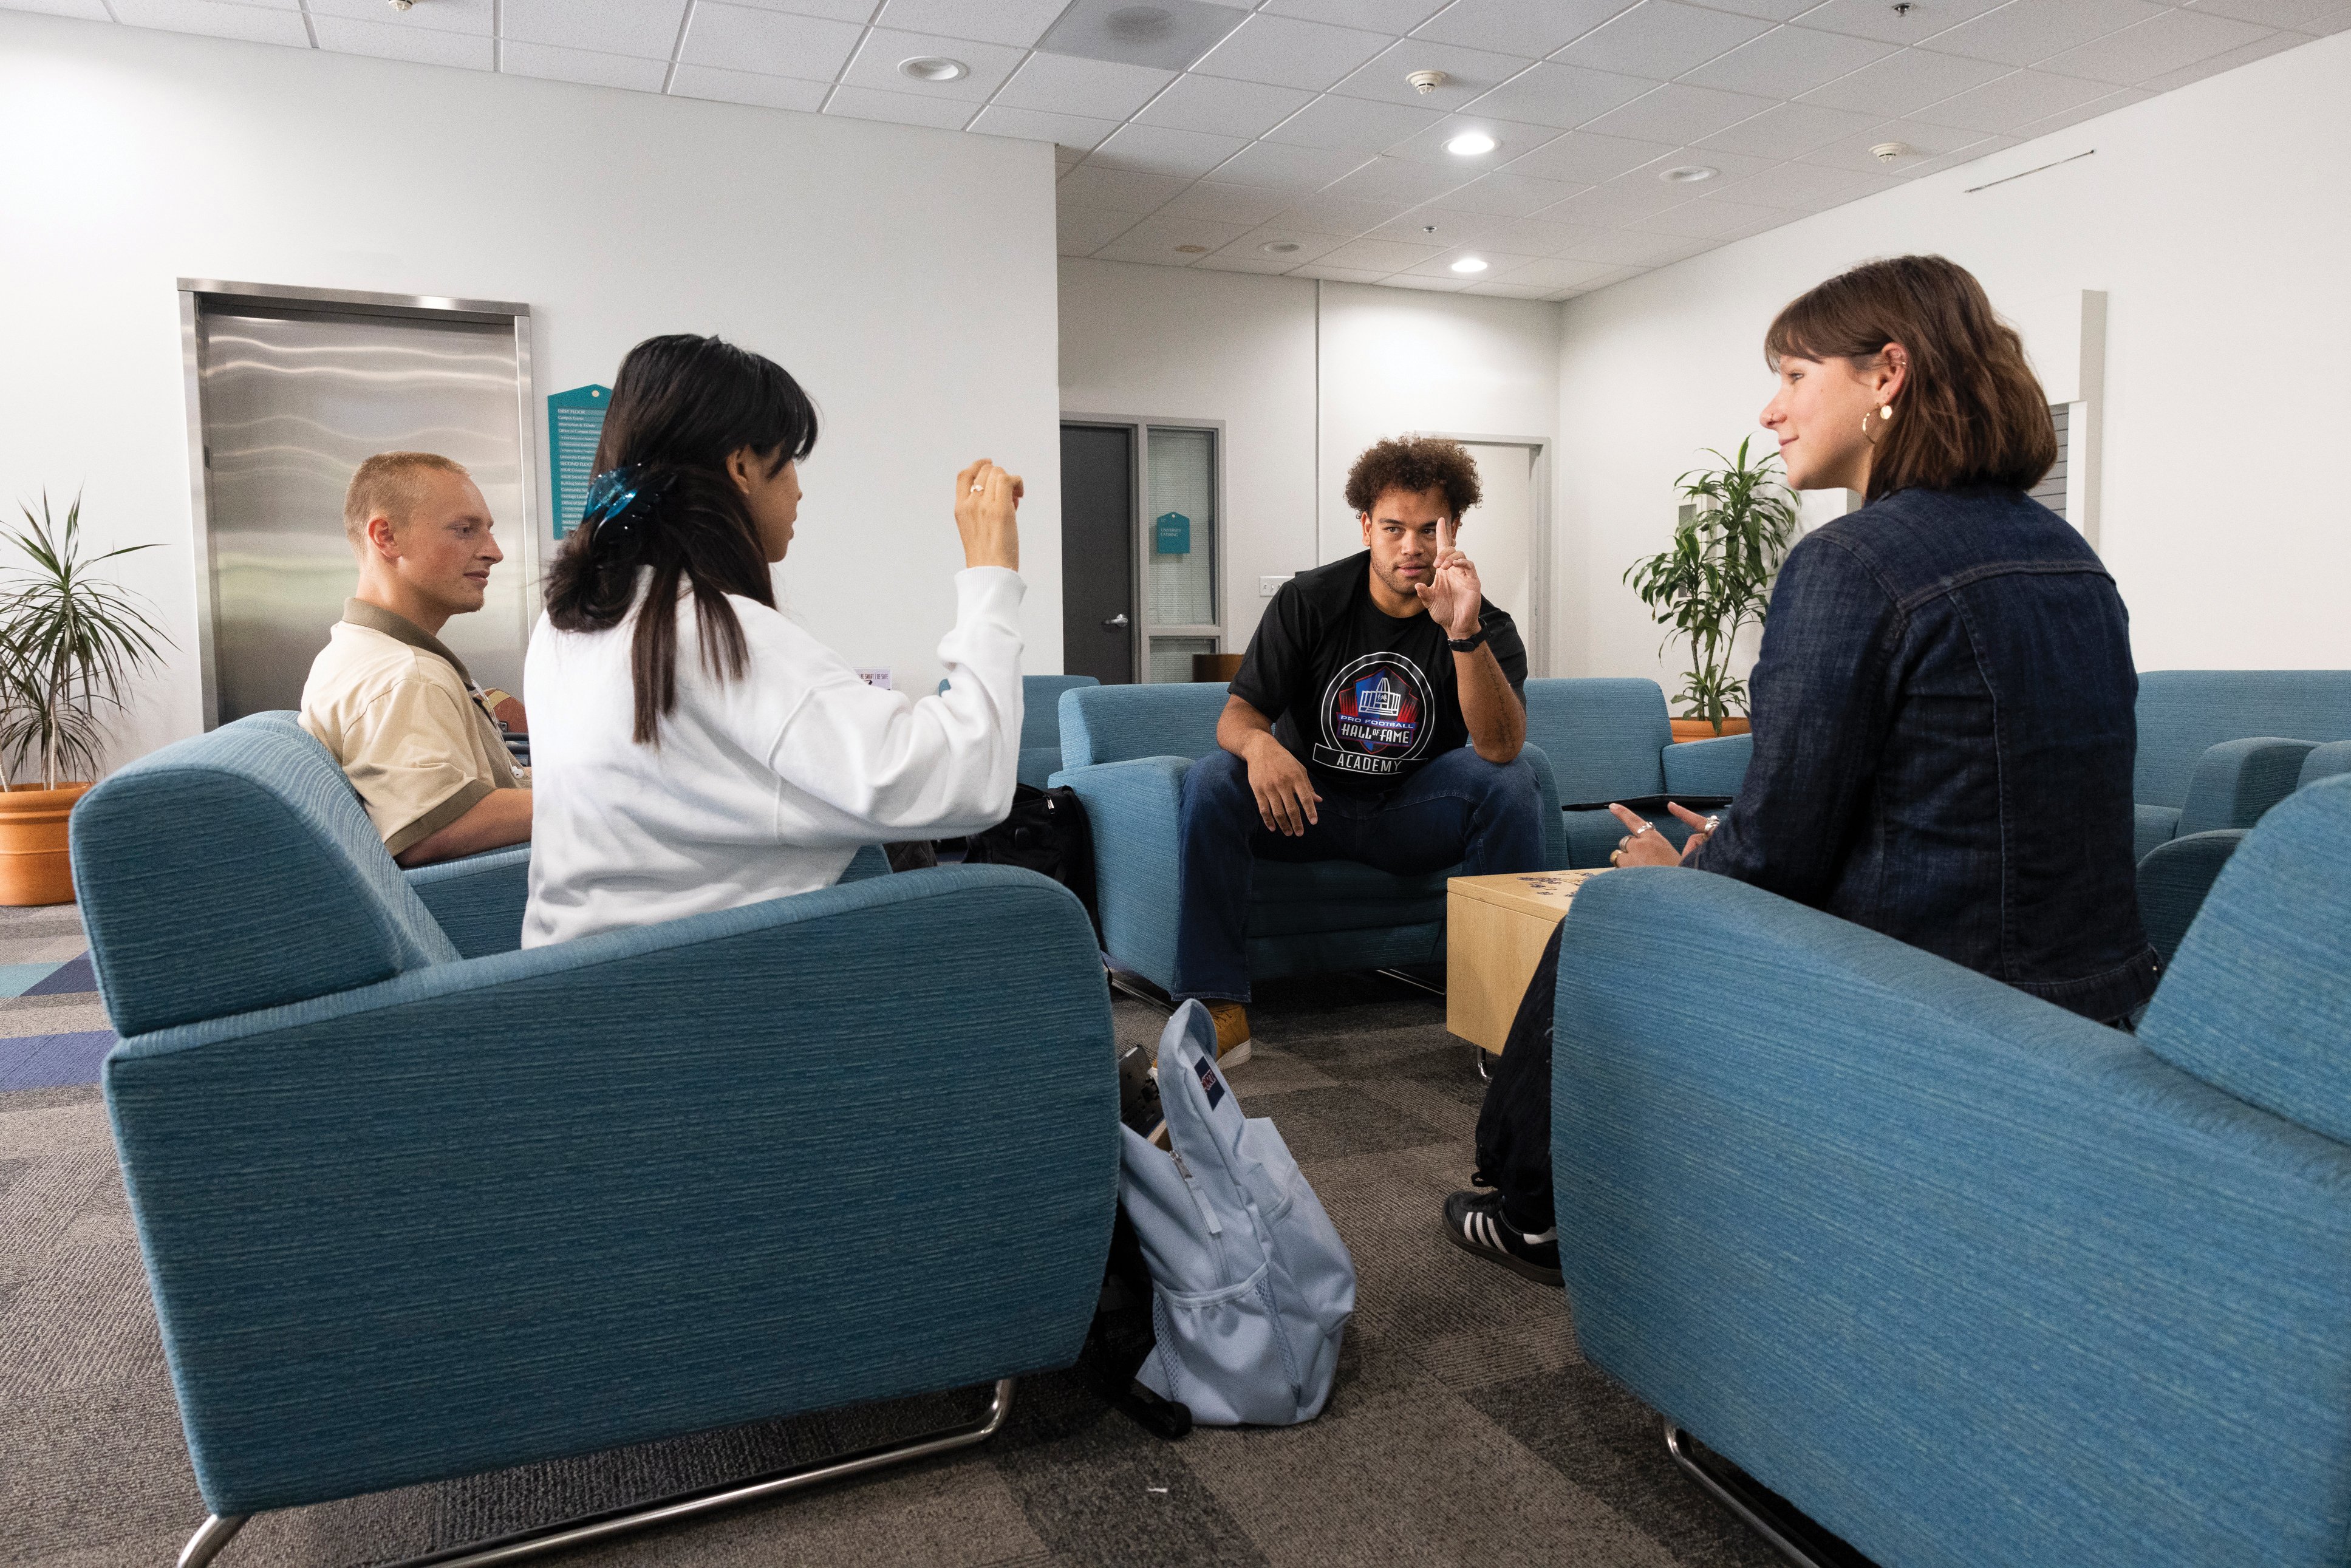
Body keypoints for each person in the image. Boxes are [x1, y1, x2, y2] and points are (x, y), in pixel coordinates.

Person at [1445, 254, 2163, 1286]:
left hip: (1916, 1002)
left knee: (1609, 916)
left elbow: (1778, 850)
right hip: (2092, 995)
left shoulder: (1851, 562)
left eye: (1792, 374)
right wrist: (1725, 854)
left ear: (1887, 375)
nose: (1770, 409)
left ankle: (1531, 1214)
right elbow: (1958, 806)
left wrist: (1675, 880)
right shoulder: (2069, 556)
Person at [520, 333, 1024, 949]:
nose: (799, 492)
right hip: (715, 997)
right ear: (741, 468)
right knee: (1023, 922)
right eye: (788, 464)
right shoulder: (706, 629)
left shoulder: (569, 623)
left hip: (585, 983)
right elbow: (972, 779)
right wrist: (990, 570)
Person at [1176, 436, 1545, 1068]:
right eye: (1394, 528)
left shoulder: (1486, 624)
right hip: (1304, 809)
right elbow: (1238, 716)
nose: (1412, 546)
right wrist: (1260, 746)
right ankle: (1217, 1005)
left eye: (1429, 528)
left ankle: (1507, 1017)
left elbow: (1500, 745)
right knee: (1213, 780)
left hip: (1409, 813)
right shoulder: (1310, 600)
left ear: (1452, 527)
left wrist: (1462, 633)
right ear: (1367, 525)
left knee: (1510, 781)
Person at [299, 451, 533, 868]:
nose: (494, 552)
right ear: (386, 537)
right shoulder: (405, 676)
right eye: (465, 530)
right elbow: (435, 826)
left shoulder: (357, 647)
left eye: (489, 531)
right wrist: (603, 799)